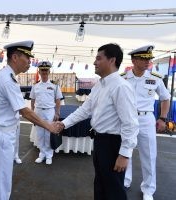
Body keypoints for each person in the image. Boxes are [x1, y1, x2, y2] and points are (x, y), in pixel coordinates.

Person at [56, 43, 139, 200]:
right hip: (100, 141)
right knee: (100, 185)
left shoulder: (121, 87)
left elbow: (130, 123)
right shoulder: (99, 85)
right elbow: (85, 110)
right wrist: (63, 124)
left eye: (98, 58)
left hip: (113, 144)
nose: (95, 62)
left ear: (112, 60)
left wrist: (124, 154)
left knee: (114, 190)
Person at [0, 40, 60, 200]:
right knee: (2, 181)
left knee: (3, 179)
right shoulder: (8, 79)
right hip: (2, 135)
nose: (29, 61)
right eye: (26, 57)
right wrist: (49, 126)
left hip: (5, 134)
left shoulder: (9, 76)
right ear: (14, 57)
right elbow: (25, 111)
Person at [122, 45, 170, 200]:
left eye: (149, 59)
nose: (148, 62)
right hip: (126, 119)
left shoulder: (155, 78)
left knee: (149, 154)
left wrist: (162, 118)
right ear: (134, 60)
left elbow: (165, 98)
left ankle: (148, 189)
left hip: (146, 119)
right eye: (144, 59)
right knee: (125, 151)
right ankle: (125, 180)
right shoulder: (123, 78)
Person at [30, 61, 63, 165]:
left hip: (49, 112)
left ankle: (49, 155)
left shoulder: (55, 85)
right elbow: (32, 100)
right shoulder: (35, 86)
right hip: (38, 112)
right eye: (42, 70)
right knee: (40, 134)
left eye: (46, 70)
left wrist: (57, 113)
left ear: (49, 71)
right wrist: (32, 113)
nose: (44, 72)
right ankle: (42, 154)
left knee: (48, 134)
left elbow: (58, 100)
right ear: (39, 71)